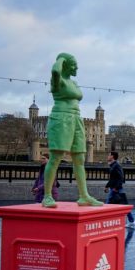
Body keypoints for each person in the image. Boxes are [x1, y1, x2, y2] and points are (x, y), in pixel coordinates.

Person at [42, 53, 103, 207]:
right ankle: (47, 196)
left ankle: (84, 196)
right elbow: (55, 71)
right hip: (61, 118)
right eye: (74, 64)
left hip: (76, 119)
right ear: (65, 65)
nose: (77, 67)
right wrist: (61, 59)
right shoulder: (58, 80)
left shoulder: (73, 83)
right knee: (56, 157)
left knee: (79, 158)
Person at [105, 150, 134, 226]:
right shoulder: (113, 165)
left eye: (109, 155)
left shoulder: (117, 165)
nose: (107, 156)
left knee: (107, 204)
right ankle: (132, 221)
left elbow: (121, 177)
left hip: (116, 188)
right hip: (114, 188)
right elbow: (112, 178)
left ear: (112, 156)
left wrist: (116, 188)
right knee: (124, 205)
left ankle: (105, 221)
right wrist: (107, 186)